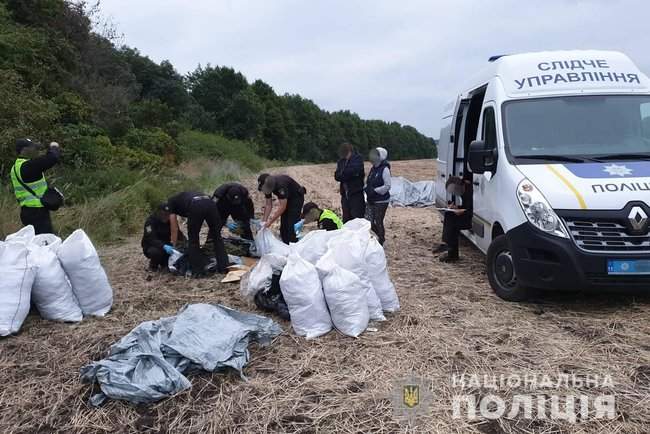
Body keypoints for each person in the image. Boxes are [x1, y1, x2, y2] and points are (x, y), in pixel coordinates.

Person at [164, 191, 229, 275]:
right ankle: (224, 268)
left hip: (196, 205)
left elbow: (174, 228)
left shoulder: (170, 203)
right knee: (217, 237)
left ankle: (198, 271)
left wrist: (173, 245)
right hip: (210, 202)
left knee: (193, 240)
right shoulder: (183, 197)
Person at [10, 138, 61, 234]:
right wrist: (54, 146)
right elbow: (52, 158)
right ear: (24, 150)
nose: (36, 150)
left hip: (27, 211)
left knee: (35, 243)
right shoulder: (28, 166)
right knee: (44, 243)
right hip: (37, 212)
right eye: (33, 147)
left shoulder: (16, 167)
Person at [433, 176, 473, 263]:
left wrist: (461, 211)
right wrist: (455, 207)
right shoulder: (464, 190)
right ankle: (447, 245)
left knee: (452, 224)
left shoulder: (470, 192)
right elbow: (465, 207)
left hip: (470, 219)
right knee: (449, 214)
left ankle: (449, 248)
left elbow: (471, 210)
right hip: (465, 214)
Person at [258, 173, 306, 244]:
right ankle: (285, 243)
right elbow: (268, 205)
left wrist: (270, 222)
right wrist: (264, 222)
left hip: (296, 198)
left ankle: (294, 244)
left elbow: (282, 207)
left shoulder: (280, 185)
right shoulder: (266, 187)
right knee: (284, 224)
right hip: (286, 198)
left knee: (291, 224)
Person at [141, 203, 186, 271]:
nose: (165, 217)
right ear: (158, 213)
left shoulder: (170, 221)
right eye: (163, 214)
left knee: (179, 250)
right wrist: (164, 246)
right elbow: (151, 238)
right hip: (152, 246)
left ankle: (165, 263)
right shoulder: (150, 222)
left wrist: (185, 242)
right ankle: (153, 266)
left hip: (167, 244)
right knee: (155, 252)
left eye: (167, 215)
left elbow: (177, 233)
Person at [365, 147, 391, 245]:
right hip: (371, 199)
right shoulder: (373, 169)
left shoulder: (385, 169)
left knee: (378, 221)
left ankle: (381, 240)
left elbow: (387, 186)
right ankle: (378, 236)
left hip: (381, 201)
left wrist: (375, 191)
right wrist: (366, 188)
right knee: (368, 221)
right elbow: (368, 181)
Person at [334, 143, 365, 222]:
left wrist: (343, 174)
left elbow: (353, 171)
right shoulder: (341, 161)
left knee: (357, 219)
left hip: (356, 193)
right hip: (345, 194)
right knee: (346, 219)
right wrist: (345, 174)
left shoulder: (358, 159)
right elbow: (337, 176)